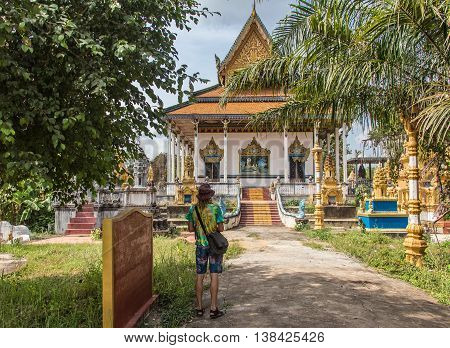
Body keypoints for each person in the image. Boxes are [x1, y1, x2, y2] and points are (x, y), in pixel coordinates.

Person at [186, 183, 225, 319]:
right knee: (214, 275)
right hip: (214, 246)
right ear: (209, 196)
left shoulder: (193, 209)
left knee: (200, 275)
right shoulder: (215, 208)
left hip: (201, 246)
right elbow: (221, 229)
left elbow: (190, 229)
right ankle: (214, 308)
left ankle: (199, 308)